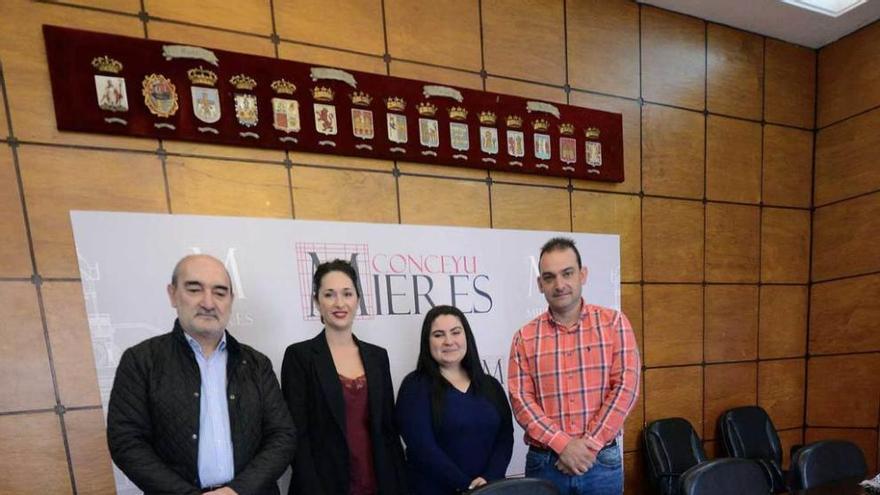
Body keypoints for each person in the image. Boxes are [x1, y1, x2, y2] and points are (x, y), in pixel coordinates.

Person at [106, 254, 296, 495]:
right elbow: (127, 441)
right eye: (194, 289)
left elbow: (282, 435)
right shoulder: (141, 361)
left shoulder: (257, 364)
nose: (208, 302)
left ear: (230, 300)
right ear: (173, 294)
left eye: (219, 292)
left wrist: (238, 490)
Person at [508, 237, 640, 495]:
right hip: (545, 463)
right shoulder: (524, 337)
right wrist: (563, 445)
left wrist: (588, 446)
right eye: (549, 277)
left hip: (600, 461)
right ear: (540, 285)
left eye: (567, 273)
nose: (559, 285)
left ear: (583, 274)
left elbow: (626, 388)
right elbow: (521, 400)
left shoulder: (614, 324)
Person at [281, 259, 407, 495]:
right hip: (323, 486)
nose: (339, 303)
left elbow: (388, 431)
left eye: (347, 294)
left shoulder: (378, 357)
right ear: (316, 302)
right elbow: (298, 437)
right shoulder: (299, 357)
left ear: (357, 299)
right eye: (329, 294)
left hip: (378, 482)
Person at [396, 305, 514, 495]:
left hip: (488, 490)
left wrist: (489, 481)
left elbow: (505, 437)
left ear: (466, 336)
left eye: (455, 332)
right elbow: (422, 447)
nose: (448, 341)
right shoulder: (414, 386)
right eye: (438, 335)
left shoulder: (490, 385)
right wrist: (467, 485)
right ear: (427, 342)